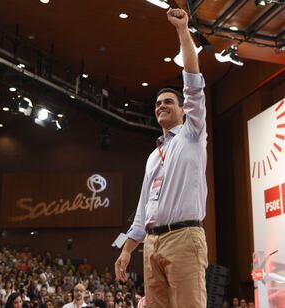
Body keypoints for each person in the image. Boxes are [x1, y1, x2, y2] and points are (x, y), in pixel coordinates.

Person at [114, 7, 208, 308]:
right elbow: (143, 211)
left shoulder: (192, 134)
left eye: (168, 101)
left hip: (184, 238)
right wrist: (128, 249)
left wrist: (183, 31)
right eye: (157, 103)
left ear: (183, 109)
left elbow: (193, 83)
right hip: (151, 243)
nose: (161, 106)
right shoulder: (154, 156)